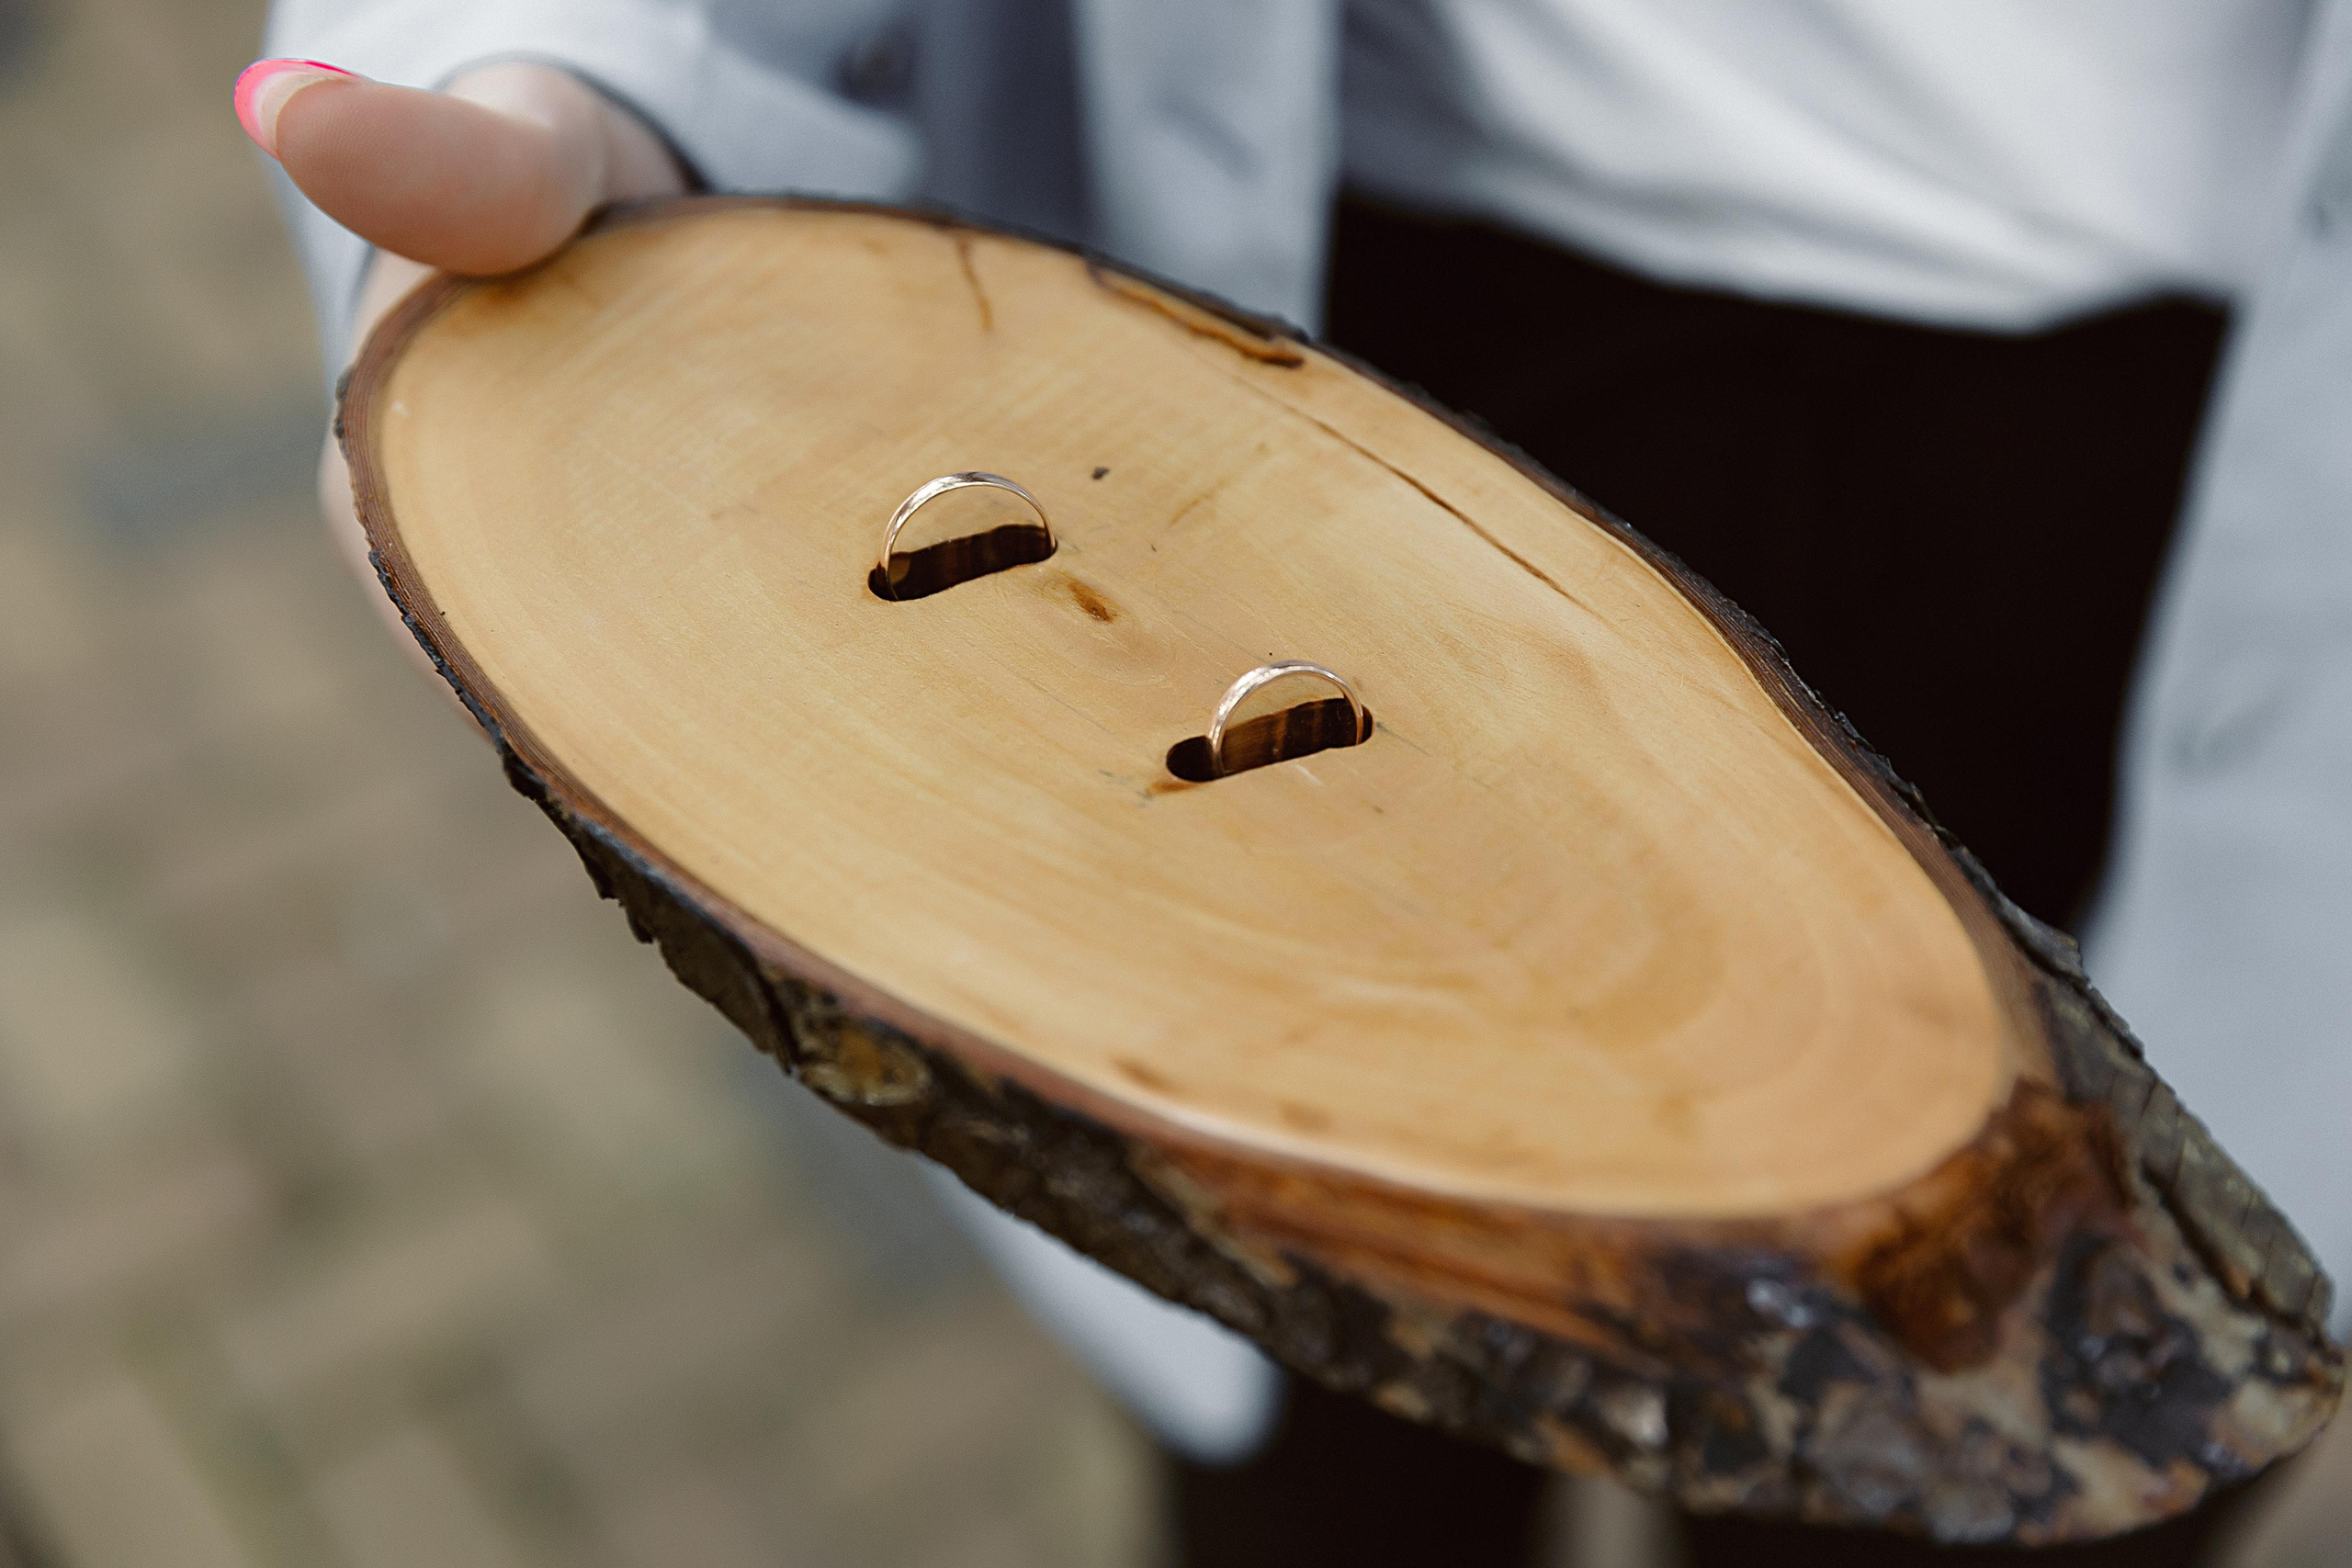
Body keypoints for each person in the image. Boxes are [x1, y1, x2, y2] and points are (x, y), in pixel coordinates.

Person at [240, 5, 2352, 1563]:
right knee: (1313, 1458)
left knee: (1992, 1444)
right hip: (1279, 310)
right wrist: (574, 65)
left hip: (2215, 466)